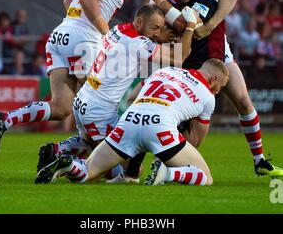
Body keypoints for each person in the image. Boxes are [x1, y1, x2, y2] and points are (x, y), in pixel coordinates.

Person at [0, 0, 157, 155]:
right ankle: (75, 158)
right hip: (84, 40)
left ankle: (5, 120)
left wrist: (76, 27)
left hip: (62, 34)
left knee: (61, 107)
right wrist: (106, 36)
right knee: (96, 108)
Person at [140, 0, 283, 178]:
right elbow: (173, 27)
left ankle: (259, 161)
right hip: (188, 61)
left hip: (218, 55)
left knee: (244, 103)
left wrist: (210, 25)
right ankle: (158, 163)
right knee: (186, 123)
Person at [35, 3, 198, 181]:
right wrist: (190, 25)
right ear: (139, 21)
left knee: (91, 144)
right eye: (155, 28)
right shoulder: (139, 43)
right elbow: (180, 57)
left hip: (84, 100)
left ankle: (57, 149)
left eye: (160, 28)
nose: (158, 33)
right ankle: (69, 164)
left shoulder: (117, 30)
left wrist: (156, 36)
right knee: (130, 168)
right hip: (100, 111)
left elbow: (144, 41)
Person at [35, 59, 229, 185]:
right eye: (220, 87)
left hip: (129, 120)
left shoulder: (166, 71)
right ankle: (166, 174)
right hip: (160, 127)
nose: (218, 92)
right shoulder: (208, 97)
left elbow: (131, 97)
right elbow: (195, 140)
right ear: (212, 80)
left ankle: (70, 165)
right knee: (206, 177)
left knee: (88, 173)